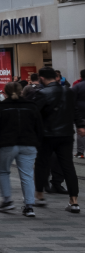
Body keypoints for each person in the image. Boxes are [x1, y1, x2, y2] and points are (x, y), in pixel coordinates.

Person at [0, 82, 42, 217]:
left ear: (4, 92)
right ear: (21, 91)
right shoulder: (32, 107)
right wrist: (38, 143)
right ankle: (29, 206)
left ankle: (7, 200)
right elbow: (39, 127)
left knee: (3, 171)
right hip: (28, 144)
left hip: (6, 144)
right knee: (27, 174)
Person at [32, 67, 82, 213]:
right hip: (66, 134)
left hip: (47, 135)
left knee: (42, 164)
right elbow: (75, 110)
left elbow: (36, 115)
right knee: (68, 166)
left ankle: (40, 196)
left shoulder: (42, 93)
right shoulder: (69, 91)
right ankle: (74, 201)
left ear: (41, 78)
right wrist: (80, 125)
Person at [72, 70, 85, 159]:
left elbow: (72, 100)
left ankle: (80, 152)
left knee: (80, 131)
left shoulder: (77, 86)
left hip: (81, 111)